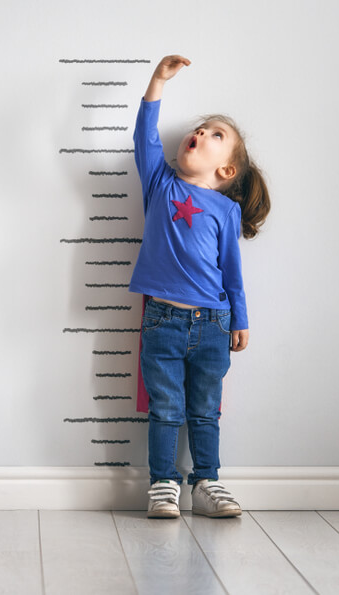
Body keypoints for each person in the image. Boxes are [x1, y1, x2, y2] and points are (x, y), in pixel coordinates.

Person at [128, 55, 270, 519]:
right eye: (202, 128)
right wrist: (157, 82)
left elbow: (232, 274)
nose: (203, 134)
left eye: (216, 135)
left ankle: (206, 482)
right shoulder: (160, 184)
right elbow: (145, 138)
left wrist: (241, 320)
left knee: (206, 412)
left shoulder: (225, 212)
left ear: (226, 172)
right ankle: (163, 484)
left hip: (213, 323)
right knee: (166, 409)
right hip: (162, 322)